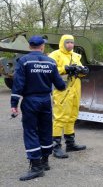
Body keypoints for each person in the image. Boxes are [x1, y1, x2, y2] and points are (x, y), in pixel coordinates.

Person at [10, 35, 66, 181]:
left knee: (30, 131)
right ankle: (45, 161)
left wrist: (14, 104)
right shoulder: (51, 62)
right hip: (45, 101)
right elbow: (60, 85)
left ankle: (36, 167)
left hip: (30, 101)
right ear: (42, 47)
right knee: (46, 129)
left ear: (30, 47)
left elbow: (18, 85)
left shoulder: (24, 61)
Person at [49, 35, 88, 158]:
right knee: (60, 118)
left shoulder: (75, 56)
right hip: (62, 90)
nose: (70, 45)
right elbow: (51, 70)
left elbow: (79, 71)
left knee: (72, 116)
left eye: (72, 42)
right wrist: (65, 69)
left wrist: (82, 71)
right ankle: (56, 147)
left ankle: (70, 144)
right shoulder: (55, 55)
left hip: (75, 89)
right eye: (68, 42)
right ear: (62, 43)